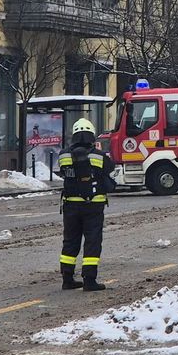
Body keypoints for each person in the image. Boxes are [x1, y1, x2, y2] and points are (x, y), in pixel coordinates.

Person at [57, 118, 116, 291]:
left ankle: (67, 279)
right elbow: (110, 168)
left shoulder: (63, 154)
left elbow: (63, 172)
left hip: (70, 205)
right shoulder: (98, 156)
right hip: (93, 206)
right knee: (92, 241)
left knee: (70, 241)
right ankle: (89, 280)